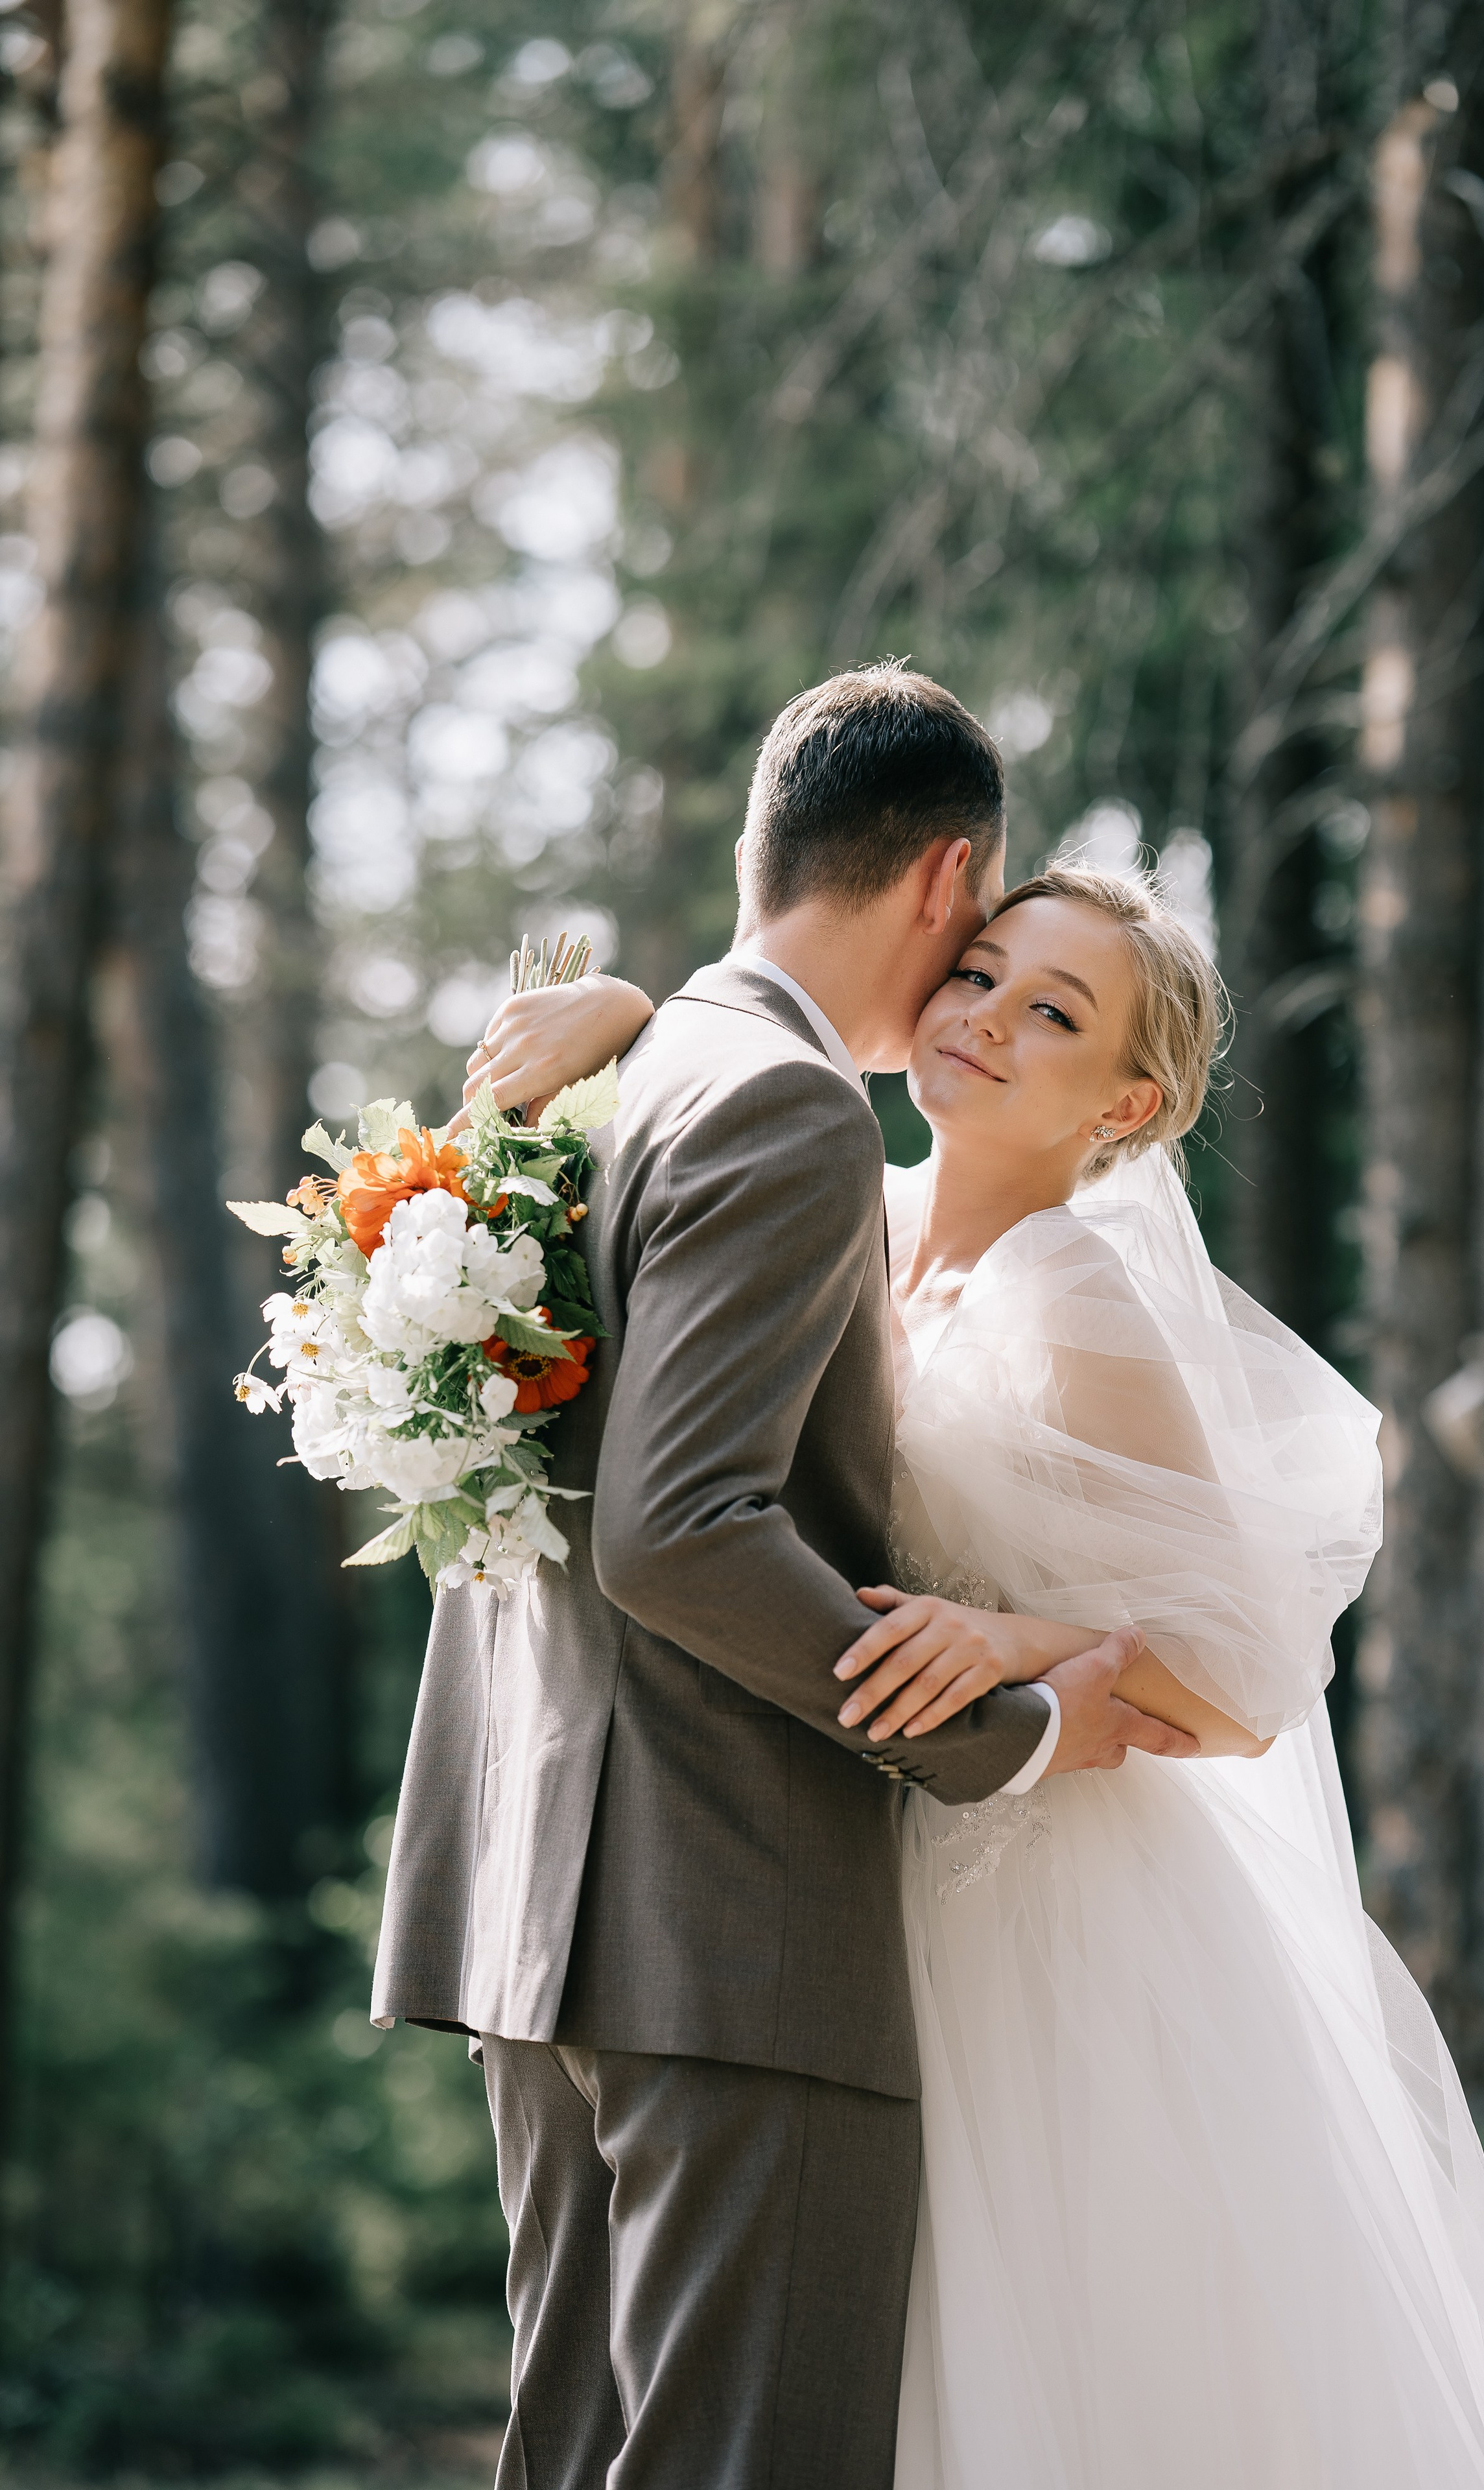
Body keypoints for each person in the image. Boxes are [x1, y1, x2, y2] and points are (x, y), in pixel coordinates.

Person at [497, 837, 1484, 2485]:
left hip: (1051, 1909)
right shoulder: (852, 1213)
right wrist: (621, 1007)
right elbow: (731, 1107)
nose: (984, 1018)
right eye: (977, 975)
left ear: (1123, 1109)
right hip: (852, 1866)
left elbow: (1245, 1679)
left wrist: (1024, 1639)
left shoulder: (1074, 1299)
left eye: (1051, 1014)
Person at [370, 663, 1193, 2490]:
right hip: (730, 1921)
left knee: (580, 2458)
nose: (972, 995)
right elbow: (679, 1528)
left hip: (551, 1906)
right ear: (938, 880)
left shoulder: (619, 1074)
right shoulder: (791, 1108)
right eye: (980, 946)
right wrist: (1002, 1731)